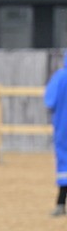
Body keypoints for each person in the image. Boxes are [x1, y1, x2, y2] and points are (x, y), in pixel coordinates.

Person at [45, 50, 67, 217]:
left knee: (64, 164)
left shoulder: (59, 77)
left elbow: (50, 101)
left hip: (63, 127)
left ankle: (60, 203)